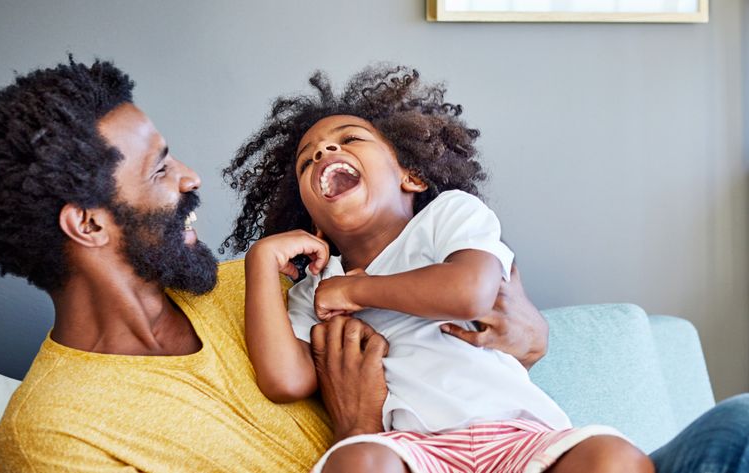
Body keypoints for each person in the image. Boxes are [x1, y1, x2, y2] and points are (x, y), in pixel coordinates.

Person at [0, 57, 748, 472]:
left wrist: (525, 330)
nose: (191, 178)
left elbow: (490, 316)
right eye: (160, 169)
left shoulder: (255, 284)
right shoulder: (54, 435)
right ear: (87, 223)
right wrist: (359, 429)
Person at [225, 65, 652, 473]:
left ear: (411, 177)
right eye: (307, 161)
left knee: (613, 456)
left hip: (516, 432)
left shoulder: (448, 218)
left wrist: (356, 292)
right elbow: (286, 381)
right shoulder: (313, 289)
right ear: (314, 221)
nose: (324, 152)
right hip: (414, 449)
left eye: (350, 139)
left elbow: (469, 291)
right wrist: (259, 261)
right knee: (355, 463)